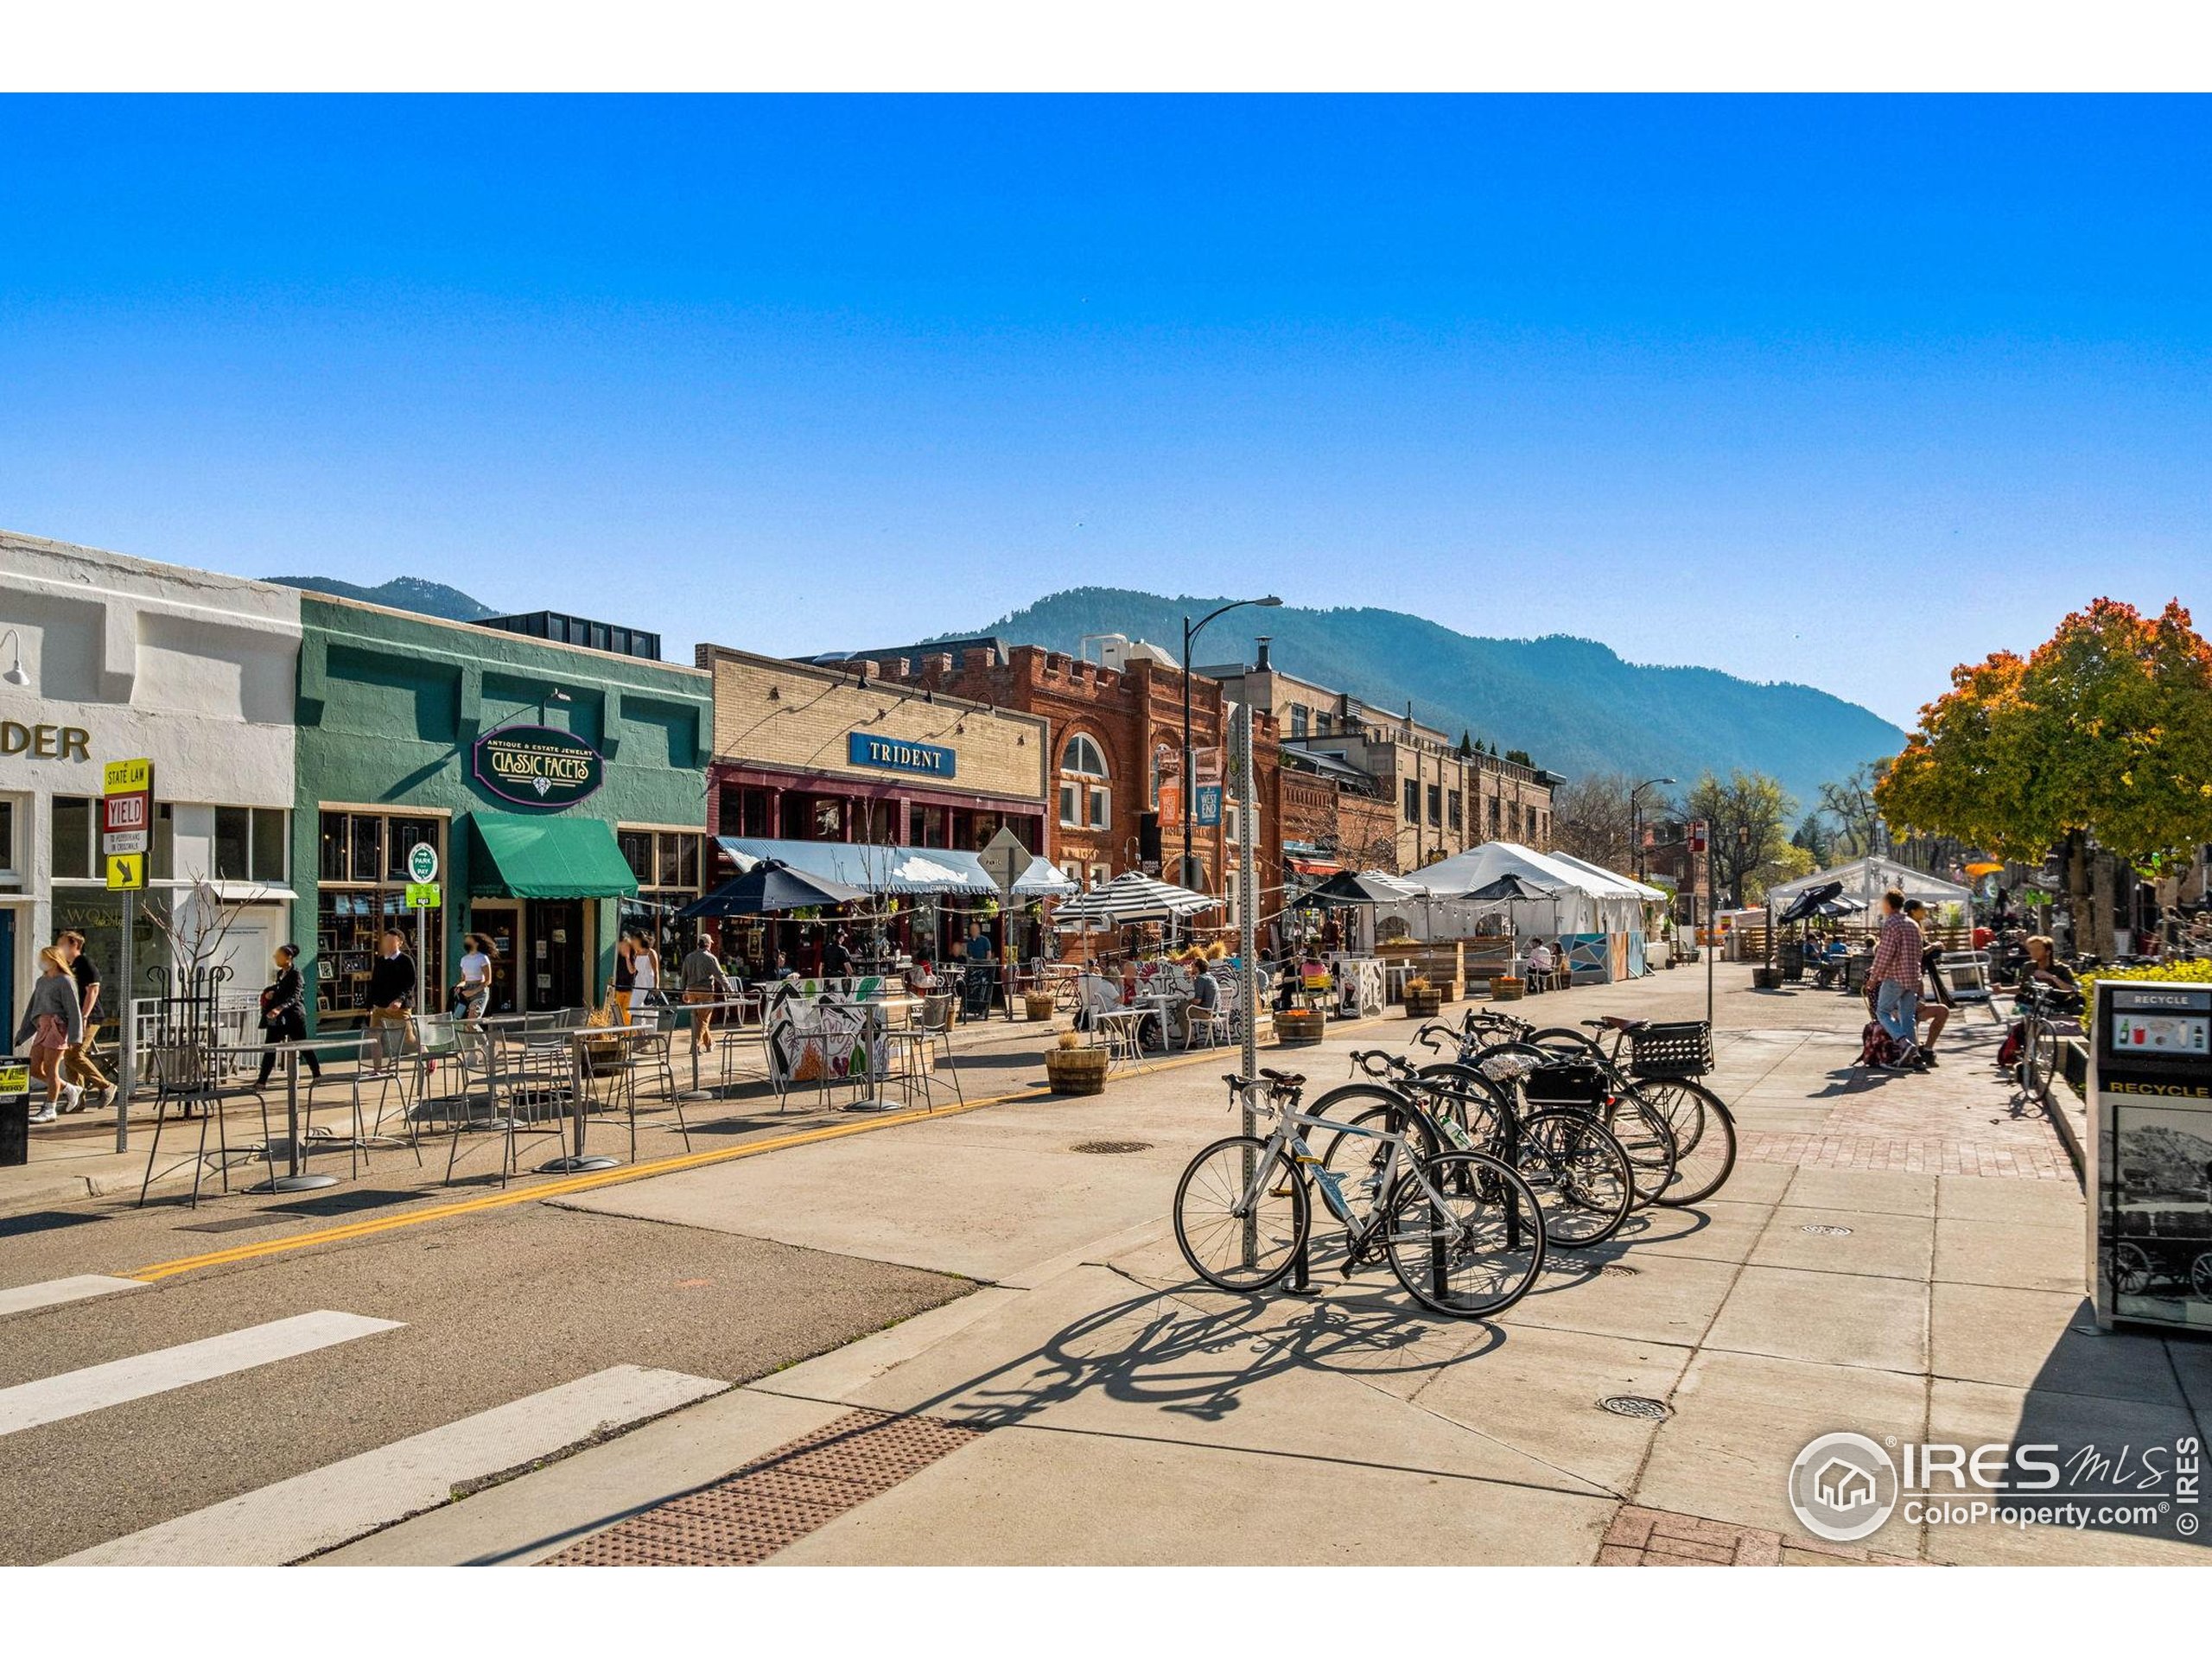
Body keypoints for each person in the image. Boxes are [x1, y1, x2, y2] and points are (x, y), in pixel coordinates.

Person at [18, 947, 85, 1122]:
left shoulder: (65, 981)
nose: (41, 962)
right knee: (33, 1067)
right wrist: (23, 1032)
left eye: (45, 958)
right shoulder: (42, 981)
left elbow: (73, 1009)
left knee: (50, 1069)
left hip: (58, 1027)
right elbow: (33, 1007)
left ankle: (50, 1108)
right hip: (43, 1027)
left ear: (55, 959)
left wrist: (74, 1036)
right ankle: (69, 1088)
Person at [1866, 889, 1924, 1069]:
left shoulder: (1892, 924)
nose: (1881, 906)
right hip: (1912, 976)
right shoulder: (1913, 924)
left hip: (1895, 976)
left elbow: (1885, 954)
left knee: (1882, 1012)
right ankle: (1914, 1058)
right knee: (1908, 1017)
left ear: (1889, 905)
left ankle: (1904, 1044)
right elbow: (1920, 952)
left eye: (1883, 903)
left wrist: (1874, 977)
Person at [55, 931, 110, 1103]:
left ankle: (106, 1086)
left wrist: (84, 1015)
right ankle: (78, 1100)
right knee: (69, 1057)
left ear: (74, 945)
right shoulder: (68, 965)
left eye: (62, 943)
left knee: (74, 1055)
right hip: (73, 1017)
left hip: (90, 1017)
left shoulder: (85, 962)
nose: (59, 947)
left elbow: (93, 990)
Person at [257, 944, 320, 1086]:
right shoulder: (280, 973)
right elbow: (282, 990)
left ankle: (317, 1074)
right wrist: (271, 992)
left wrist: (279, 1008)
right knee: (270, 1047)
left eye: (278, 956)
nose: (275, 958)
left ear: (288, 958)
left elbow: (294, 996)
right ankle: (261, 1081)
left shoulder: (297, 974)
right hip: (278, 1019)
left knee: (303, 1046)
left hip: (293, 1017)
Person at [1905, 901, 1951, 1067]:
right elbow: (1915, 953)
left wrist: (1922, 998)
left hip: (1914, 991)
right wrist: (1933, 946)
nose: (1925, 912)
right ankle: (1913, 1053)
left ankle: (1928, 1050)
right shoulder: (1908, 929)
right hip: (1900, 996)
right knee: (1910, 1016)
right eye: (1922, 909)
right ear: (1912, 911)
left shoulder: (1918, 929)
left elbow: (1918, 977)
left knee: (1943, 1011)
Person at [365, 929, 418, 1067]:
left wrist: (400, 1000)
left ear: (400, 942)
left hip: (400, 1007)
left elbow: (410, 983)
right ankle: (377, 1069)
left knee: (409, 1039)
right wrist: (369, 1005)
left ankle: (427, 1055)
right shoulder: (381, 961)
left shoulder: (406, 960)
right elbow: (375, 983)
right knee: (374, 1038)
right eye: (386, 941)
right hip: (380, 1007)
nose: (387, 943)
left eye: (391, 941)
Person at [681, 930, 729, 1051]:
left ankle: (709, 1043)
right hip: (705, 992)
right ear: (708, 944)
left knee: (699, 1020)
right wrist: (729, 988)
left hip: (691, 991)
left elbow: (683, 976)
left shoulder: (689, 957)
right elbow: (720, 975)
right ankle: (695, 1045)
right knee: (703, 1019)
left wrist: (683, 991)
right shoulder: (710, 958)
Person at [453, 932, 493, 1021]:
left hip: (479, 991)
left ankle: (483, 1036)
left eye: (469, 940)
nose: (466, 942)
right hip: (466, 991)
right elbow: (464, 979)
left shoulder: (483, 958)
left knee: (472, 1023)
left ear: (476, 943)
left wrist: (473, 992)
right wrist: (459, 986)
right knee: (460, 1021)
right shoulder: (464, 959)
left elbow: (488, 981)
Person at [626, 931, 660, 1021]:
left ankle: (650, 1033)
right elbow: (632, 970)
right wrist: (627, 958)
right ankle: (639, 1033)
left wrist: (656, 986)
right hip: (639, 983)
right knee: (635, 1008)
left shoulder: (651, 953)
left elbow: (656, 971)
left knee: (649, 1010)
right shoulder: (637, 953)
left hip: (649, 982)